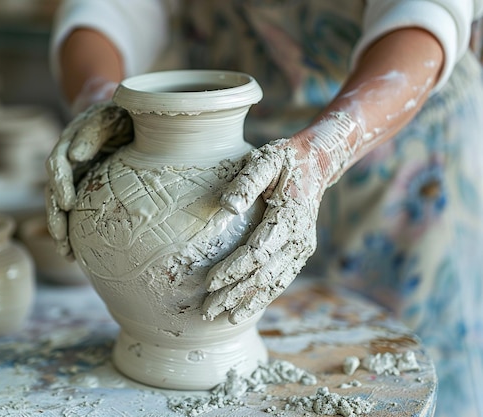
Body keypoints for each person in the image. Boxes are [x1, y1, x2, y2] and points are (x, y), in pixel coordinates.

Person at [45, 1, 483, 415]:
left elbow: (426, 9)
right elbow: (110, 8)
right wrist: (98, 102)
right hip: (238, 143)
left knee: (399, 368)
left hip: (398, 140)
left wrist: (327, 148)